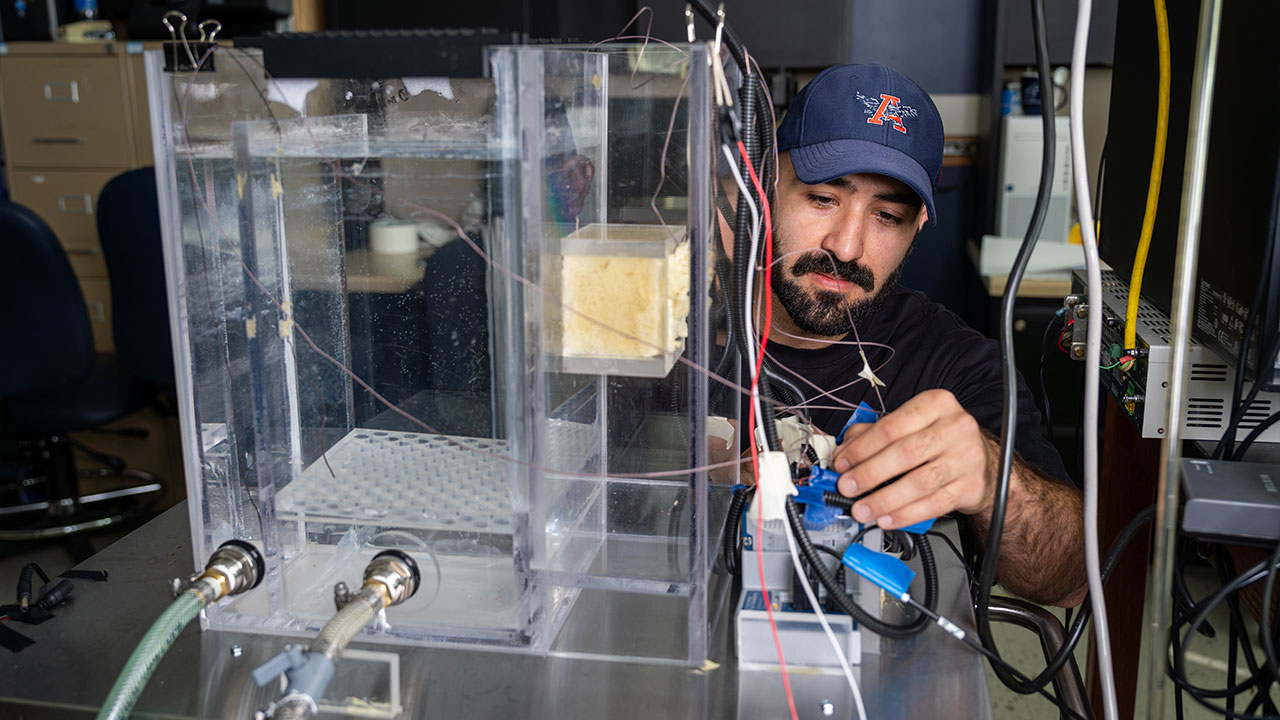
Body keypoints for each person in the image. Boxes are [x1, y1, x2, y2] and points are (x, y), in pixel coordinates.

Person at [726, 63, 1087, 607]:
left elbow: (1068, 581)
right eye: (823, 198)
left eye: (887, 215)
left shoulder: (954, 365)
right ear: (766, 187)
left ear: (918, 226)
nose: (846, 246)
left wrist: (994, 480)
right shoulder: (674, 326)